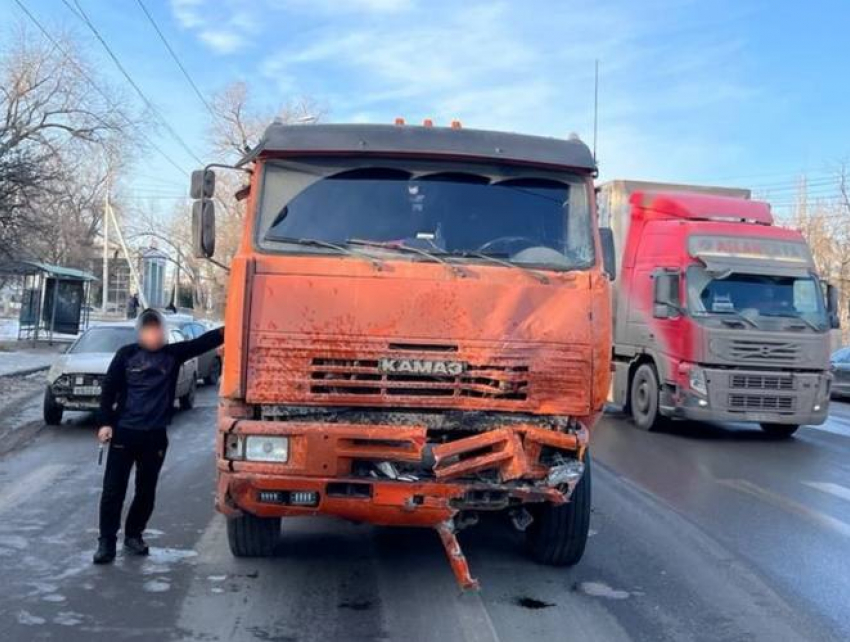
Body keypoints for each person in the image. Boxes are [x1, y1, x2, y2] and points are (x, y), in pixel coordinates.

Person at [92, 308, 224, 564]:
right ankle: (106, 542)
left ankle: (134, 535)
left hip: (154, 437)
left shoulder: (171, 356)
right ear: (141, 332)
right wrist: (105, 423)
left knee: (146, 491)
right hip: (125, 434)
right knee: (113, 491)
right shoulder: (126, 355)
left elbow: (202, 342)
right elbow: (108, 389)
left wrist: (231, 327)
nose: (154, 336)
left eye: (157, 331)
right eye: (149, 331)